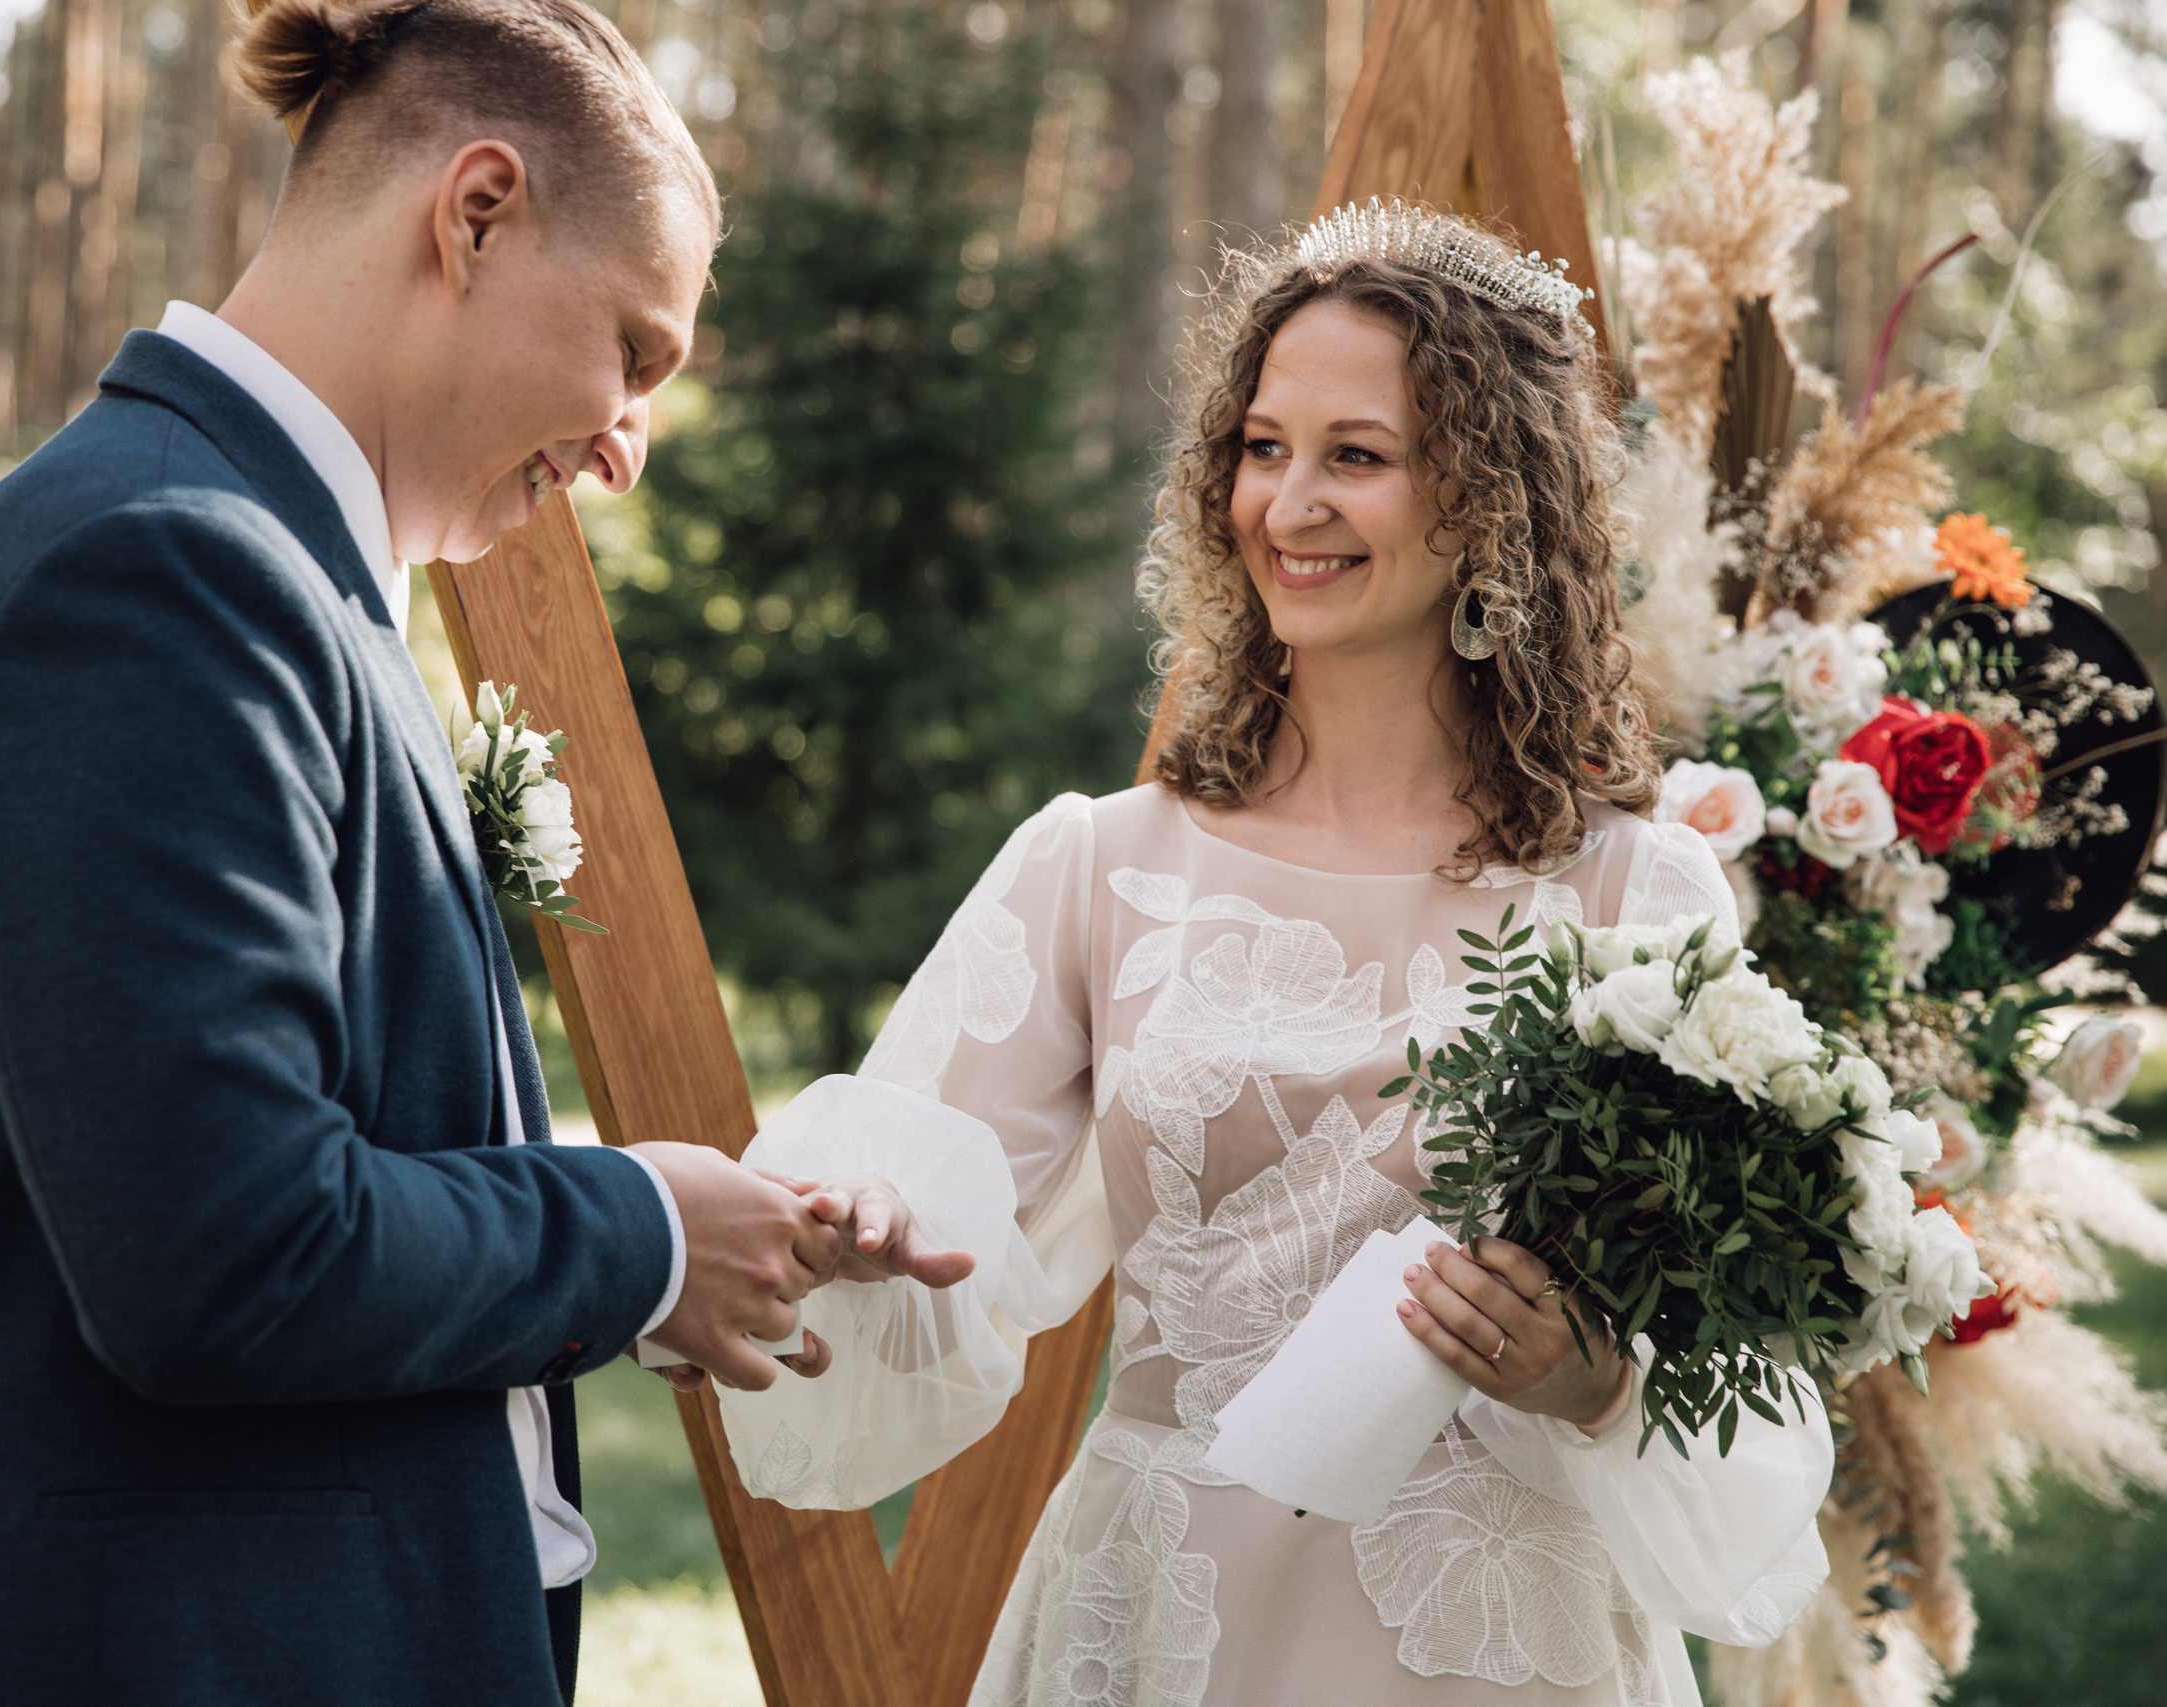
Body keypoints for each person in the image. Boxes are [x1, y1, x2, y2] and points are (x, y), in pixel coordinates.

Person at [0, 3, 938, 1703]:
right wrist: (638, 1236)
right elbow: (227, 1254)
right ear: (474, 213)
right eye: (635, 352)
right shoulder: (160, 574)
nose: (630, 444)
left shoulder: (263, 569)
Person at [714, 207, 1835, 1707]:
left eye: (1355, 456)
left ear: (1488, 498)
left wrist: (1593, 1385)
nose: (1288, 503)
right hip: (1166, 1612)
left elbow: (1735, 1377)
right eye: (1261, 447)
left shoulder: (1633, 889)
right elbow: (918, 1225)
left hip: (1507, 1630)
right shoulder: (1101, 866)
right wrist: (849, 1225)